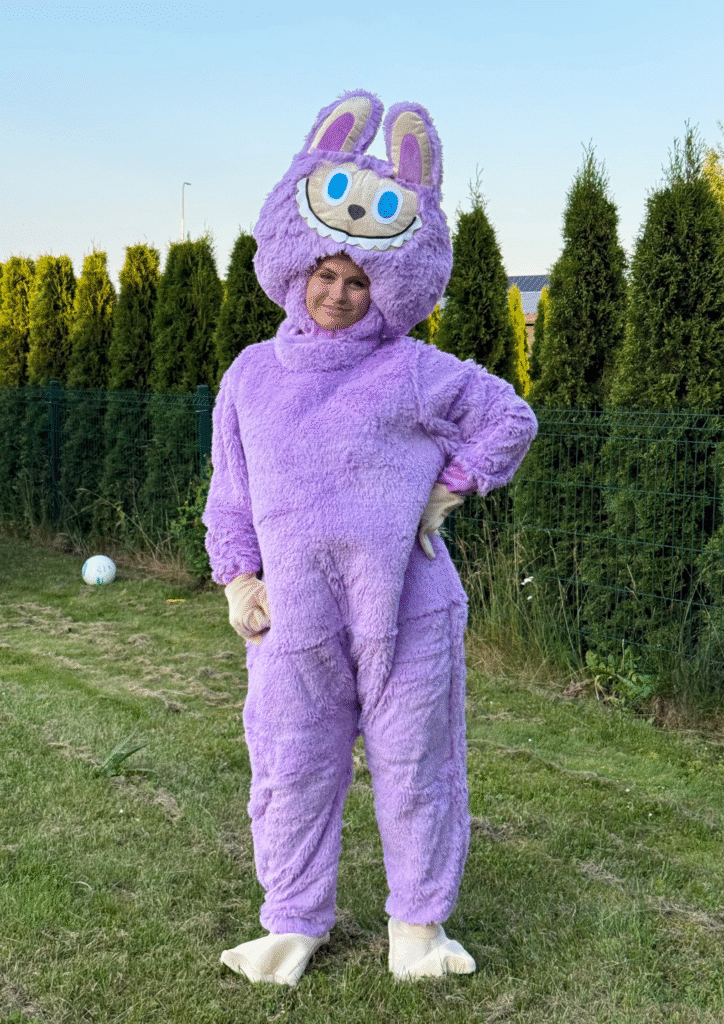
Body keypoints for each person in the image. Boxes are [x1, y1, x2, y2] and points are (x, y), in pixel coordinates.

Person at [202, 91, 538, 986]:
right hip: (293, 618)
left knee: (416, 766)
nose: (339, 293)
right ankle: (291, 922)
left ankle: (417, 930)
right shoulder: (251, 376)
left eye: (358, 280)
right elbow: (229, 496)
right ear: (298, 264)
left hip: (408, 609)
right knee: (290, 766)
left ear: (386, 284)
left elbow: (509, 418)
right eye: (326, 273)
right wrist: (238, 581)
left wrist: (447, 491)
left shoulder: (415, 369)